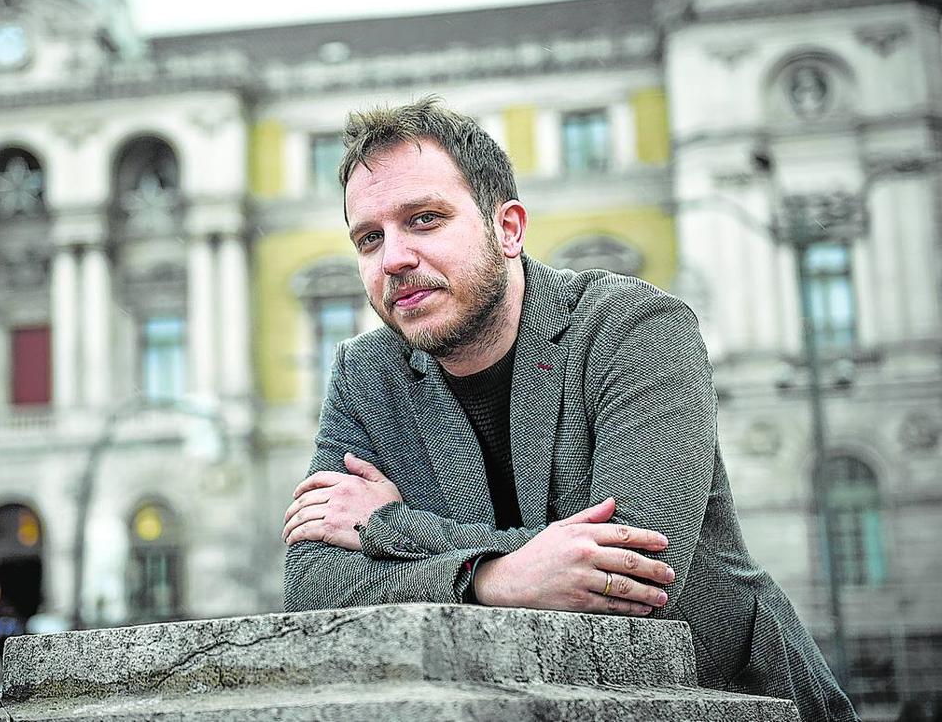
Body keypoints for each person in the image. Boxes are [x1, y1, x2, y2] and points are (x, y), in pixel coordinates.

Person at [282, 97, 856, 721]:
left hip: (725, 700)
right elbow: (313, 585)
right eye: (369, 238)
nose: (392, 258)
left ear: (507, 228)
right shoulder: (366, 372)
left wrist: (392, 527)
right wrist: (497, 578)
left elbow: (636, 575)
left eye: (424, 219)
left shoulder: (636, 326)